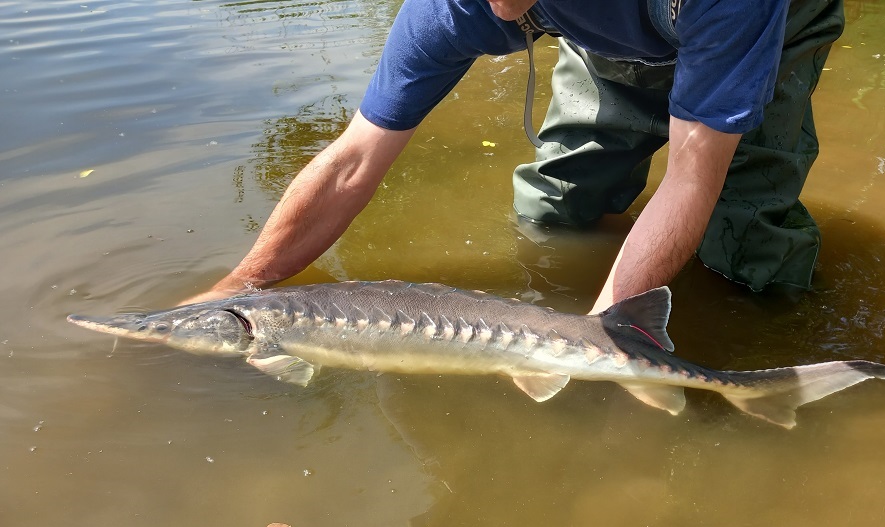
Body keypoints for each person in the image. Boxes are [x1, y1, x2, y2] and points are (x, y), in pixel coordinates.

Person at [184, 0, 845, 314]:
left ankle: (773, 339)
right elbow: (354, 159)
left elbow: (691, 177)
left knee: (747, 237)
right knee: (554, 209)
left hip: (765, 27)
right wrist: (237, 289)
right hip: (605, 31)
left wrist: (600, 339)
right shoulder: (455, 8)